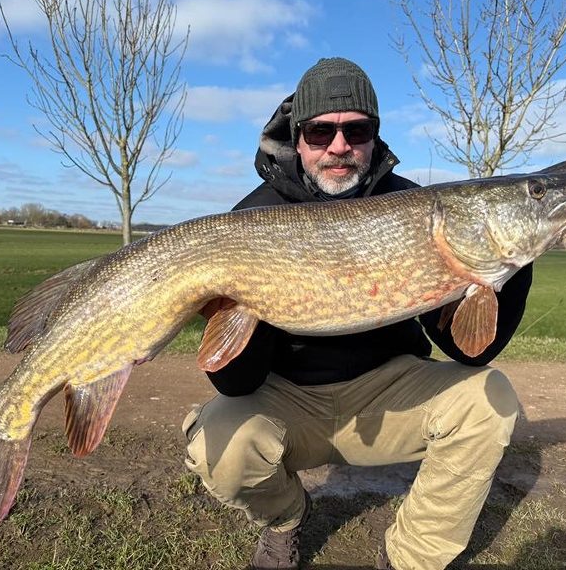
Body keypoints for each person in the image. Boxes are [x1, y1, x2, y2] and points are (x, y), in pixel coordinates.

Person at [182, 57, 530, 570]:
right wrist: (244, 303)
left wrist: (509, 261)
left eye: (357, 130)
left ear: (374, 137)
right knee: (220, 443)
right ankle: (286, 518)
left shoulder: (416, 207)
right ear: (298, 138)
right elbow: (236, 382)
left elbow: (472, 351)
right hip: (291, 401)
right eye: (321, 131)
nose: (339, 146)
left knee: (489, 398)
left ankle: (411, 559)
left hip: (388, 394)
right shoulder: (251, 218)